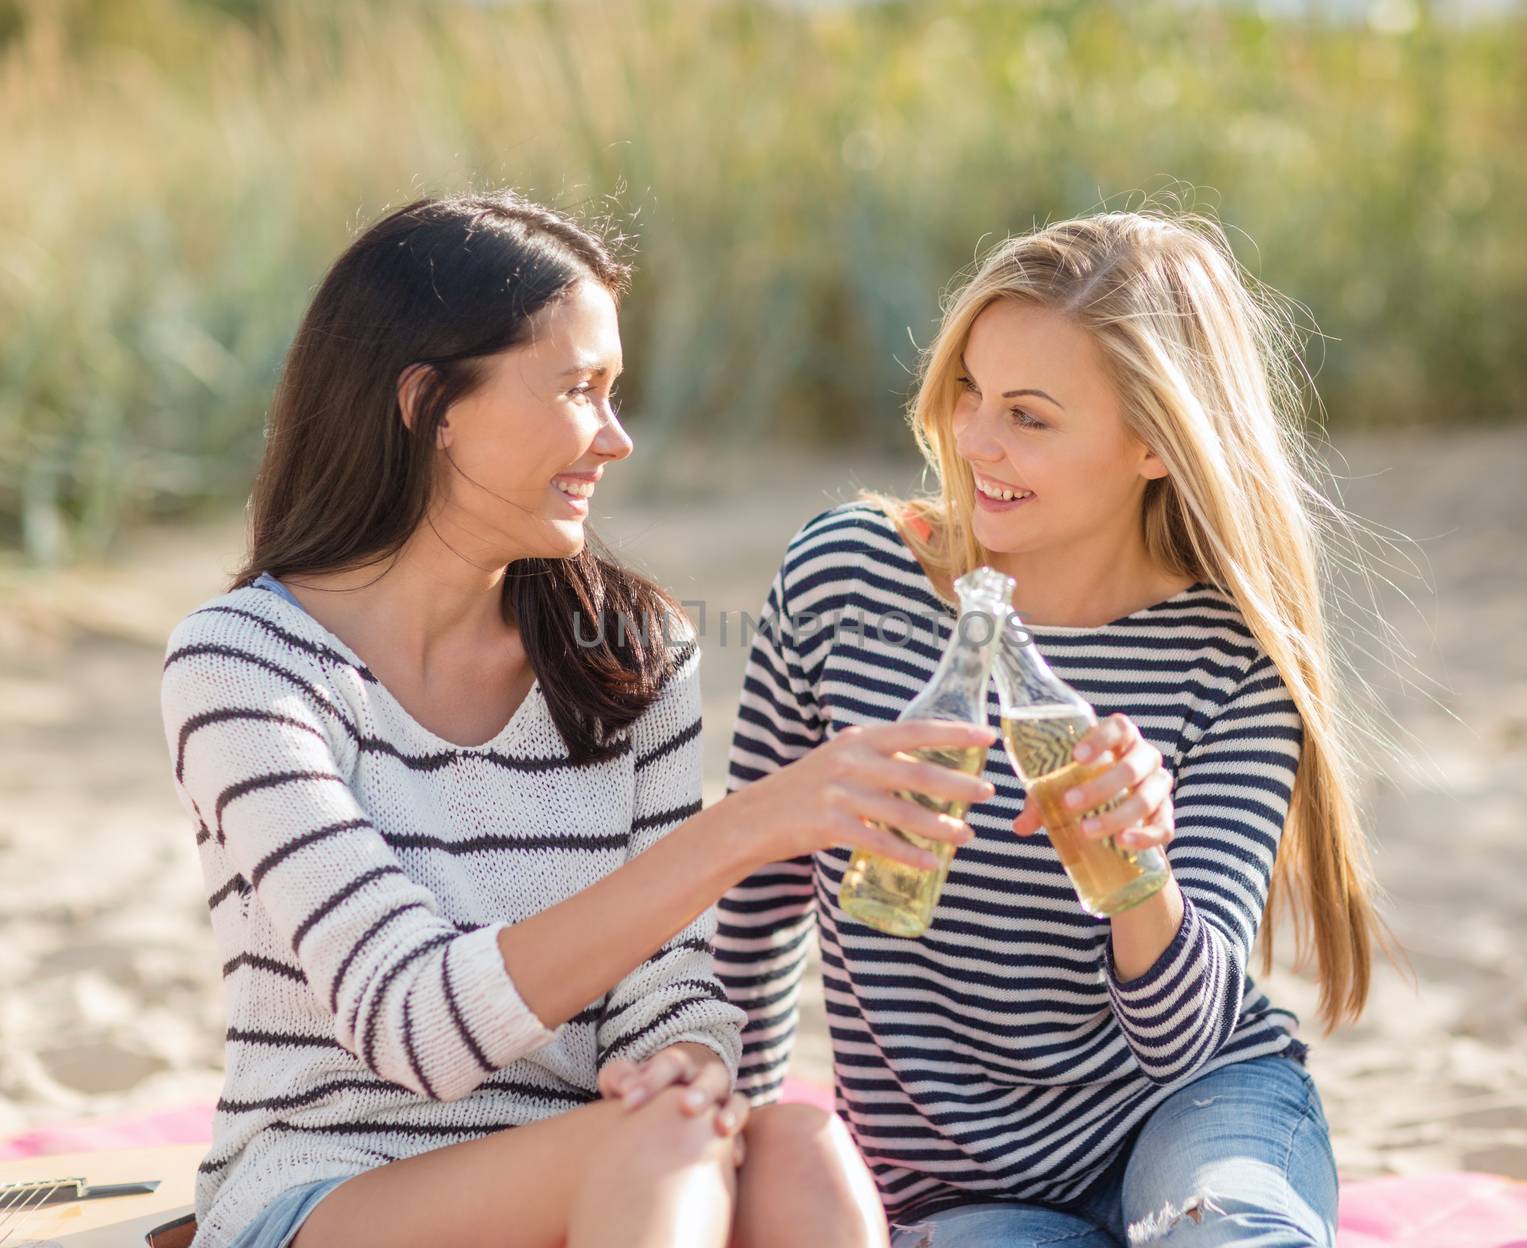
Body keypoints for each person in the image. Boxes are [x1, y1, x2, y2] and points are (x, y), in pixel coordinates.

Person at [159, 191, 999, 1248]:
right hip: (332, 1186)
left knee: (801, 1155)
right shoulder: (242, 661)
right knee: (656, 1151)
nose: (617, 439)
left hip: (605, 1172)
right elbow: (413, 1022)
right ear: (429, 406)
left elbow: (671, 988)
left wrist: (684, 1062)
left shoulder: (632, 650)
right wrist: (746, 827)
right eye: (578, 391)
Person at [715, 210, 1385, 1247]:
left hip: (1196, 1110)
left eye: (1028, 416)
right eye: (969, 391)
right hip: (961, 1185)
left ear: (1154, 442)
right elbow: (752, 894)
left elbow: (1187, 1041)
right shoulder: (847, 577)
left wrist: (1137, 874)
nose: (974, 440)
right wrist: (733, 1135)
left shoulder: (1230, 658)